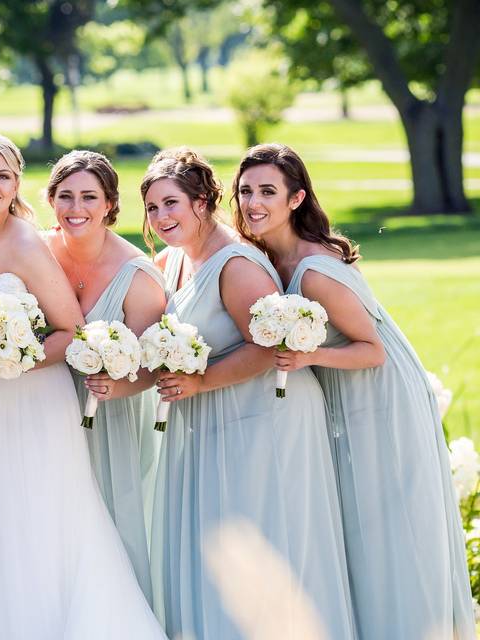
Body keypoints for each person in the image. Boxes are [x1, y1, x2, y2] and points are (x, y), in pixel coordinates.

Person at [232, 142, 474, 639]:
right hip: (347, 389)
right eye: (245, 191)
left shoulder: (315, 271)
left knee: (387, 523)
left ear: (296, 199)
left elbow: (372, 349)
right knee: (358, 525)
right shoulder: (266, 257)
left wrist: (307, 356)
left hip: (379, 395)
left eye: (268, 192)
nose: (253, 202)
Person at [0, 132, 165, 639]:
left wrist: (14, 359)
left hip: (32, 402)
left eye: (2, 176)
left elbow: (71, 332)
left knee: (41, 522)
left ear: (17, 184)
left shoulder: (25, 243)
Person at [143, 148, 355, 640]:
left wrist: (198, 383)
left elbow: (270, 348)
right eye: (153, 208)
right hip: (213, 421)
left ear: (203, 202)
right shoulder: (172, 260)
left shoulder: (237, 264)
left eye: (172, 204)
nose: (161, 217)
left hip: (266, 418)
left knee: (268, 550)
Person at [42, 149, 166, 602]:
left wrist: (116, 386)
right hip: (44, 412)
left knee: (109, 524)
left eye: (89, 197)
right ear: (51, 200)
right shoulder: (35, 253)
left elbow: (153, 365)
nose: (77, 209)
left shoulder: (137, 277)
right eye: (66, 196)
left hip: (108, 418)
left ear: (111, 205)